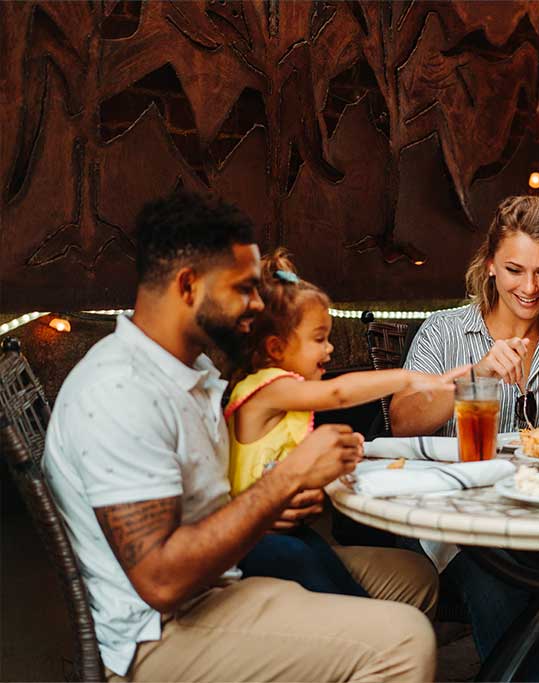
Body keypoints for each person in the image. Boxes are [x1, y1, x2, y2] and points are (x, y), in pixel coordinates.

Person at [42, 190, 438, 682]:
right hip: (160, 634)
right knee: (404, 641)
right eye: (244, 289)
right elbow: (162, 581)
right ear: (188, 286)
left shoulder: (192, 369)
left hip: (220, 580)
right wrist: (285, 481)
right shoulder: (120, 392)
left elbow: (213, 506)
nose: (257, 305)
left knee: (414, 580)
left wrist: (271, 506)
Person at [389, 195, 539, 681]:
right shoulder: (443, 333)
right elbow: (402, 420)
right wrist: (475, 375)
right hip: (463, 525)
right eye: (514, 269)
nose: (530, 288)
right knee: (502, 586)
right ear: (489, 265)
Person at [228, 247, 466, 596]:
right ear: (277, 348)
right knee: (325, 578)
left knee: (334, 573)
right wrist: (408, 379)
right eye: (319, 339)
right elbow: (338, 394)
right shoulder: (266, 390)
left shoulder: (287, 398)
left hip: (283, 530)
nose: (330, 350)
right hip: (252, 541)